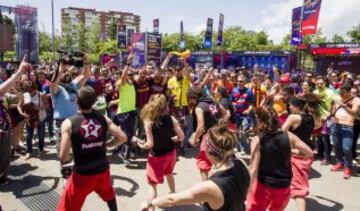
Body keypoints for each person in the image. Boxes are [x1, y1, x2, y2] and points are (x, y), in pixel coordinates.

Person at [141, 123, 250, 211]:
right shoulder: (241, 164)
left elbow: (172, 199)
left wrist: (150, 202)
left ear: (208, 152)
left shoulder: (210, 187)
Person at [57, 86, 127, 211]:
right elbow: (122, 138)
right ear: (94, 102)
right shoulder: (103, 119)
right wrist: (107, 145)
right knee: (109, 193)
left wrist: (73, 155)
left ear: (77, 101)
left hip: (83, 173)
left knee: (68, 206)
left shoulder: (68, 123)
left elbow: (63, 156)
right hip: (102, 169)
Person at [247, 105, 313, 211]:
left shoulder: (257, 139)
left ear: (259, 120)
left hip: (264, 185)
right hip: (284, 186)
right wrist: (291, 152)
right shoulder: (288, 135)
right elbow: (309, 153)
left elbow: (253, 169)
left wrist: (247, 189)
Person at [137, 94, 184, 211]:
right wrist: (174, 139)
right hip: (171, 153)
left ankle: (150, 208)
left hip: (157, 157)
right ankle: (173, 195)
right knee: (169, 173)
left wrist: (140, 144)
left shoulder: (149, 121)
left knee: (152, 184)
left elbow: (149, 144)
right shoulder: (171, 118)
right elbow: (181, 136)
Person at [282, 94, 325, 211]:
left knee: (298, 190)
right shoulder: (312, 118)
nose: (289, 107)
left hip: (296, 155)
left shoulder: (293, 118)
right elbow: (319, 124)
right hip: (306, 154)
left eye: (291, 105)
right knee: (292, 183)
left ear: (297, 106)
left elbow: (281, 133)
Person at [0, 56, 31, 185]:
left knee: (4, 157)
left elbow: (10, 97)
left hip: (4, 128)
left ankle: (2, 177)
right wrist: (19, 72)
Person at [187, 87, 219, 181]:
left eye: (190, 99)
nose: (190, 101)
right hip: (219, 134)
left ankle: (206, 187)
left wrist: (194, 139)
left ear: (193, 97)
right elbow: (220, 115)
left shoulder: (199, 108)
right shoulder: (210, 102)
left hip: (209, 137)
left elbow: (200, 127)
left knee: (203, 164)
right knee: (217, 162)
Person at [331, 83, 360, 179]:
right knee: (336, 146)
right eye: (340, 92)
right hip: (335, 125)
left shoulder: (356, 100)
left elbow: (353, 113)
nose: (341, 94)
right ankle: (340, 162)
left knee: (346, 148)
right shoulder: (338, 97)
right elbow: (333, 109)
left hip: (347, 127)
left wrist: (343, 105)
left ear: (348, 92)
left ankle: (348, 167)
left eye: (343, 92)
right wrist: (332, 115)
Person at [112, 53, 137, 166]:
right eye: (129, 74)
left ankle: (121, 151)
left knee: (129, 134)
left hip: (130, 112)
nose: (131, 76)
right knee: (127, 135)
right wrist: (128, 62)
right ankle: (124, 155)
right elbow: (123, 77)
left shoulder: (131, 84)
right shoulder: (123, 83)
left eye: (132, 74)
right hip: (124, 113)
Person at [17, 80, 48, 160]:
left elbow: (47, 105)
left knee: (41, 135)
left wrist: (40, 107)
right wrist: (21, 113)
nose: (30, 92)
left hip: (41, 118)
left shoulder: (41, 95)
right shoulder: (24, 95)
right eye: (28, 90)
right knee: (28, 136)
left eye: (32, 90)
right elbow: (19, 106)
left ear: (35, 88)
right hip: (29, 119)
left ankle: (41, 149)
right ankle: (29, 152)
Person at [313, 76, 336, 165]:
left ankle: (327, 157)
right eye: (317, 83)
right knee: (319, 137)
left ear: (325, 83)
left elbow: (334, 104)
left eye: (321, 83)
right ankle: (320, 154)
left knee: (325, 138)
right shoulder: (315, 92)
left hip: (327, 118)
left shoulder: (330, 92)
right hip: (317, 118)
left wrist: (329, 115)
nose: (319, 84)